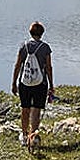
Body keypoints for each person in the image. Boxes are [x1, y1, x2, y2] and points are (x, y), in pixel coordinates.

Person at [11, 20, 54, 149]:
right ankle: (33, 136)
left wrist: (14, 83)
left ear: (30, 32)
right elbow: (49, 67)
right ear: (42, 33)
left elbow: (18, 65)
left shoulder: (23, 46)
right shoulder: (45, 48)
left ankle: (24, 136)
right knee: (36, 109)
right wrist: (51, 85)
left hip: (25, 83)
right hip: (40, 83)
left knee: (25, 109)